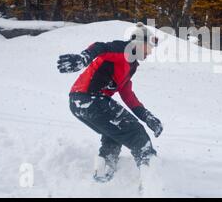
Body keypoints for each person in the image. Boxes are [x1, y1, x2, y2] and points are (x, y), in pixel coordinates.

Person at [57, 22, 163, 182]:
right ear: (140, 43)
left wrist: (147, 116)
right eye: (150, 47)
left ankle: (103, 173)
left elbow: (128, 95)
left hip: (79, 103)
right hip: (90, 99)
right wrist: (83, 58)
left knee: (114, 134)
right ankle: (151, 179)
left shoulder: (130, 64)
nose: (150, 52)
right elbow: (101, 47)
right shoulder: (124, 50)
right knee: (135, 133)